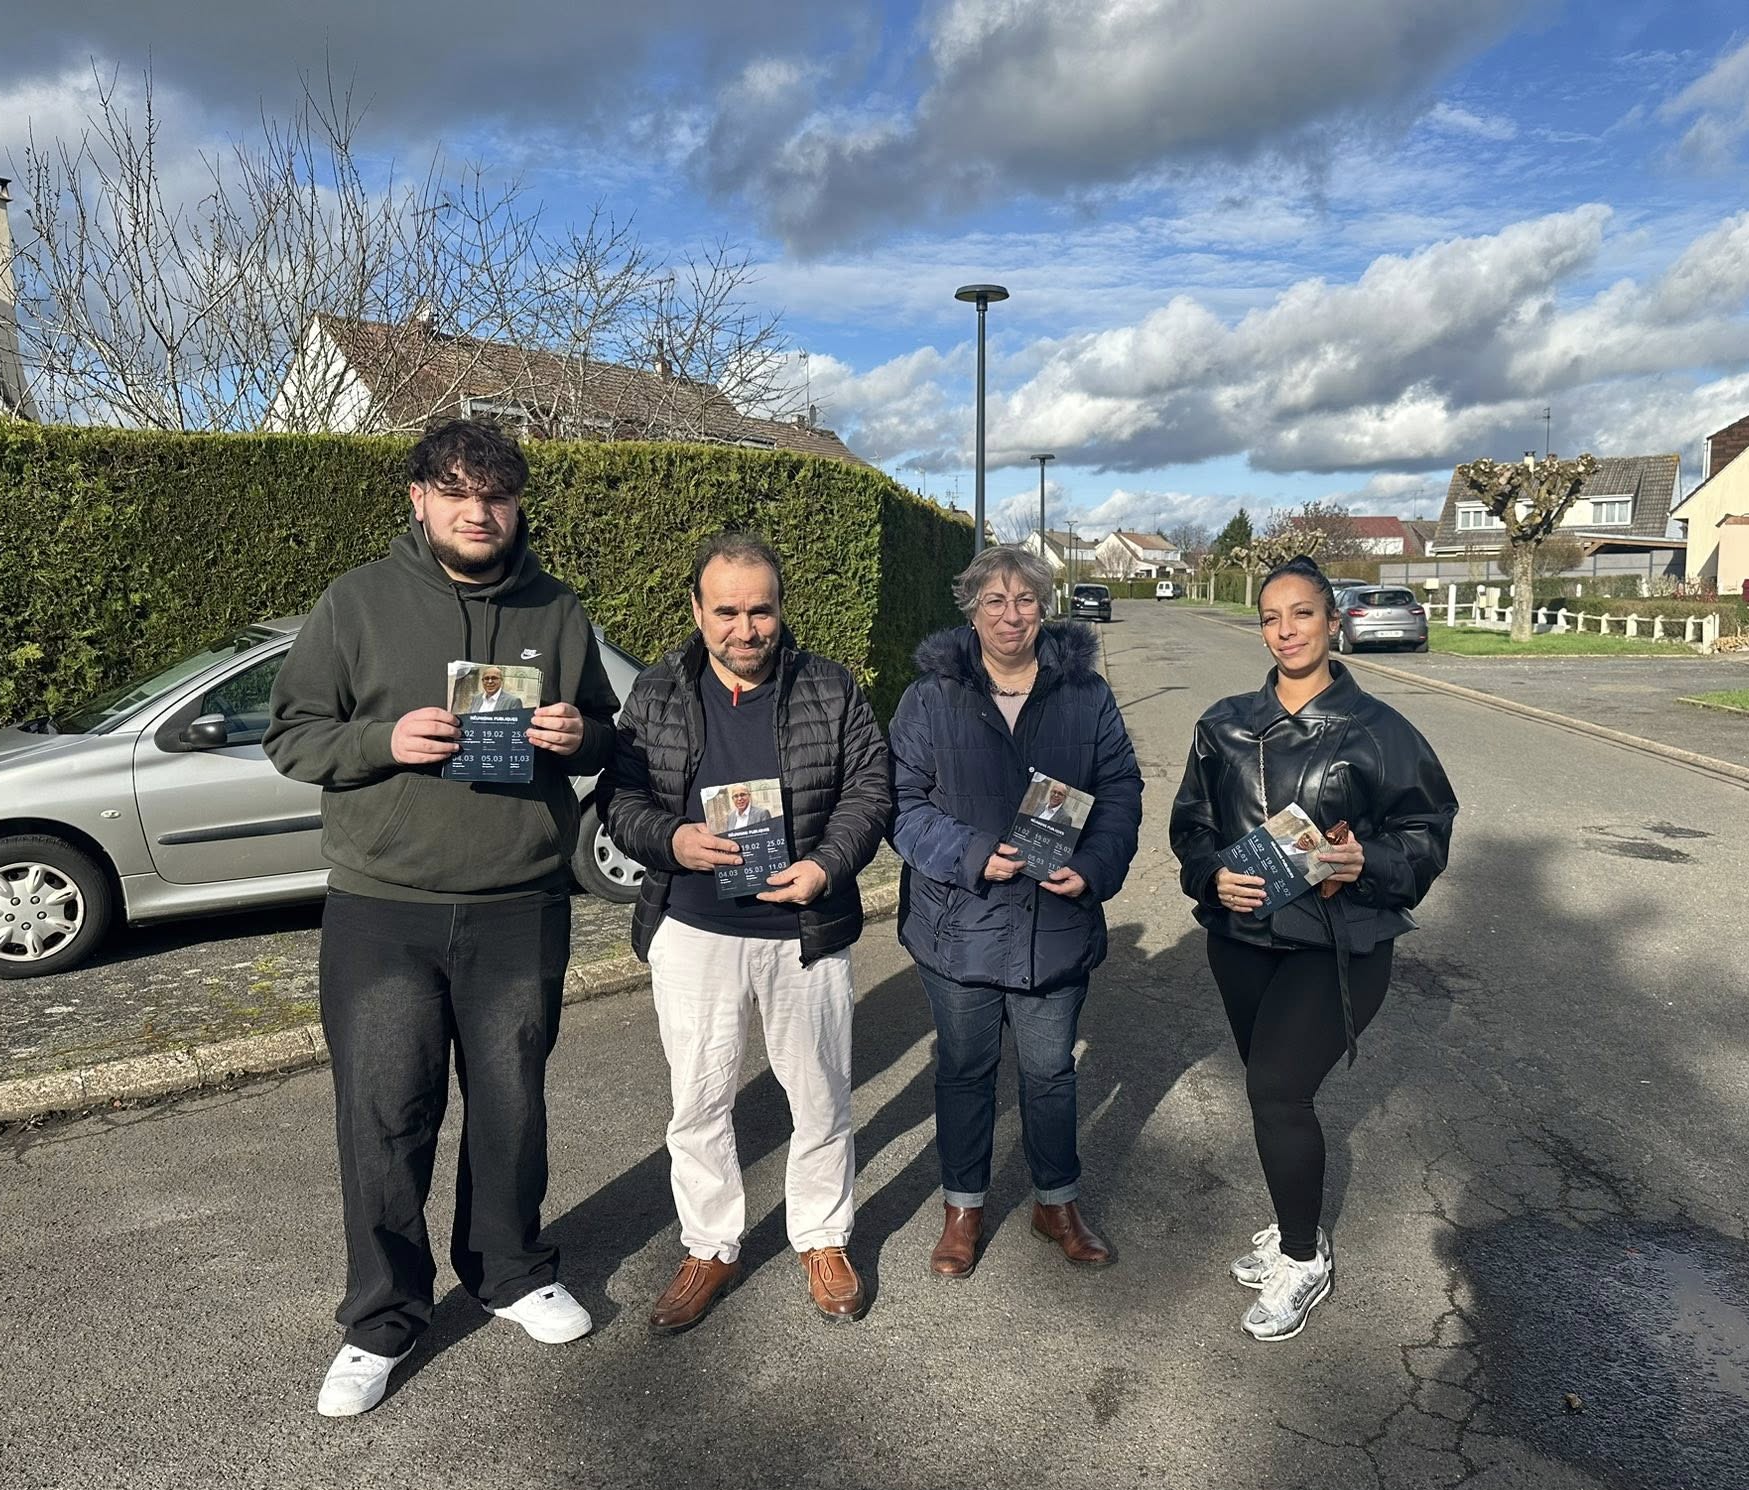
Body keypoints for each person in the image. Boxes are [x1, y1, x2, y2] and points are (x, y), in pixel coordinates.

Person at [265, 419, 621, 1415]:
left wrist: (575, 731)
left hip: (519, 904)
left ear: (515, 506)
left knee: (511, 1104)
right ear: (416, 497)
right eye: (457, 492)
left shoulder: (555, 608)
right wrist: (385, 738)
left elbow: (603, 730)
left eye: (497, 494)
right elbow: (292, 735)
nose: (479, 512)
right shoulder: (357, 604)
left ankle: (508, 1270)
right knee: (384, 1116)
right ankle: (382, 1317)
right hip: (384, 908)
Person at [603, 532, 891, 1331]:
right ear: (697, 610)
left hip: (805, 926)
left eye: (759, 610)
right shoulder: (658, 692)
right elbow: (619, 801)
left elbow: (872, 789)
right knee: (697, 1100)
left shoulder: (830, 689)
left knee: (821, 1096)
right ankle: (710, 1244)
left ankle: (823, 1237)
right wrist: (673, 842)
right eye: (726, 611)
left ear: (780, 607)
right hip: (694, 929)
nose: (745, 628)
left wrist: (828, 865)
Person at [1169, 554, 1456, 1343]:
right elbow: (1192, 828)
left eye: (1302, 614)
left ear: (1334, 623)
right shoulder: (1222, 724)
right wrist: (1211, 877)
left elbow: (1426, 833)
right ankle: (1294, 1222)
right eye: (1271, 616)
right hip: (1243, 940)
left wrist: (1375, 862)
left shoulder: (1382, 732)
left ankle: (1304, 1257)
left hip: (1338, 944)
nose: (1286, 630)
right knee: (1271, 1092)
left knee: (1277, 1090)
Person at [889, 546, 1143, 1278]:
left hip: (1053, 926)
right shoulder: (930, 698)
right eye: (995, 601)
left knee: (1050, 1073)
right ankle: (962, 1208)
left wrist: (1095, 868)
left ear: (1044, 606)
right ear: (971, 607)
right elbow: (900, 806)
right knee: (965, 1071)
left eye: (1026, 600)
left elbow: (1122, 788)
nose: (1011, 615)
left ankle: (1055, 1201)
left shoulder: (1085, 694)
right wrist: (970, 853)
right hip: (957, 925)